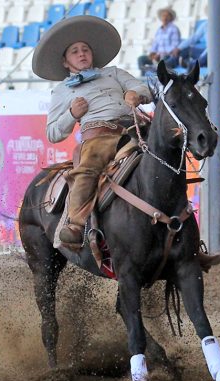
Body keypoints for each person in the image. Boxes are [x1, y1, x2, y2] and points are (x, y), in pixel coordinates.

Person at [32, 16, 151, 245]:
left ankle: (182, 223)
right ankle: (75, 224)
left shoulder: (114, 73)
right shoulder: (62, 92)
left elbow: (141, 86)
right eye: (74, 51)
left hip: (136, 129)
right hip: (100, 137)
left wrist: (135, 94)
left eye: (85, 49)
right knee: (88, 169)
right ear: (66, 62)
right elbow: (53, 133)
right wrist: (72, 114)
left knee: (169, 154)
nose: (81, 53)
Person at [137, 7, 181, 74]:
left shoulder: (174, 29)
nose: (165, 17)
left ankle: (156, 70)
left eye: (167, 16)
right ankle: (146, 76)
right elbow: (155, 44)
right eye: (163, 15)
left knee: (163, 59)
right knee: (141, 59)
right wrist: (152, 53)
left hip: (168, 56)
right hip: (158, 56)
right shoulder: (159, 30)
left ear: (171, 18)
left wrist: (160, 54)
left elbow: (175, 46)